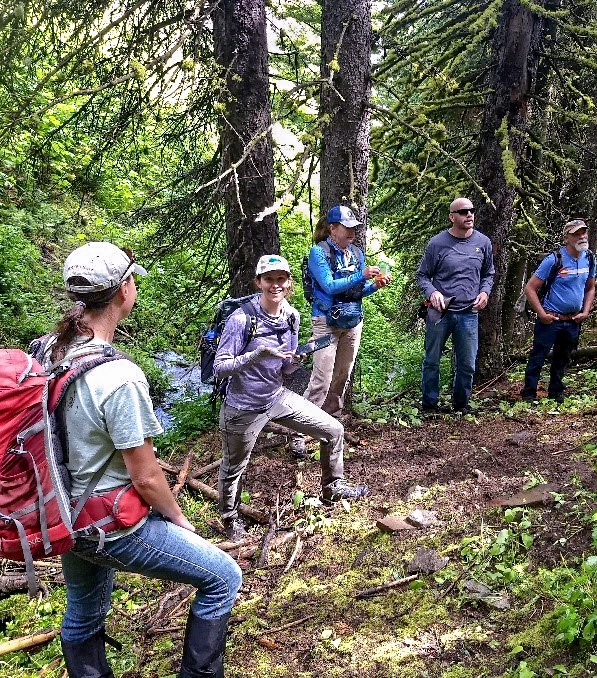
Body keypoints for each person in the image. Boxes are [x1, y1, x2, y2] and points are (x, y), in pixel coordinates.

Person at [46, 242, 242, 678]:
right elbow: (147, 477)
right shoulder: (119, 376)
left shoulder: (49, 353)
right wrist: (181, 522)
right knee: (223, 578)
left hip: (61, 513)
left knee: (82, 611)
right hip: (110, 525)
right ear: (123, 291)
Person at [214, 254, 367, 541]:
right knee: (234, 467)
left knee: (334, 429)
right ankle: (229, 518)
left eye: (280, 279)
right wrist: (256, 354)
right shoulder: (241, 318)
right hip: (242, 407)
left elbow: (286, 367)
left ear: (289, 283)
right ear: (258, 282)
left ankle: (333, 486)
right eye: (269, 279)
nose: (275, 285)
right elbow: (220, 368)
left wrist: (295, 360)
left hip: (276, 396)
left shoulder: (291, 316)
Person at [294, 205, 390, 455]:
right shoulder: (318, 252)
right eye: (347, 228)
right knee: (321, 380)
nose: (352, 233)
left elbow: (356, 292)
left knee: (342, 377)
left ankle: (331, 422)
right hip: (325, 323)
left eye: (354, 228)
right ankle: (298, 433)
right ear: (332, 228)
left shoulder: (356, 253)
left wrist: (374, 286)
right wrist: (362, 275)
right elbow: (330, 286)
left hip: (352, 322)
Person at [416, 196, 495, 413]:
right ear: (452, 217)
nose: (468, 214)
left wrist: (485, 292)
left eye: (471, 210)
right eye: (462, 211)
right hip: (439, 313)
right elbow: (422, 276)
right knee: (432, 360)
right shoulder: (437, 243)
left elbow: (488, 273)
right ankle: (429, 405)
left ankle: (461, 405)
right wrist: (432, 293)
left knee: (467, 363)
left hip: (469, 312)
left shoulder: (483, 243)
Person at [520, 219, 596, 404]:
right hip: (551, 318)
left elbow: (590, 288)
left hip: (573, 321)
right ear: (566, 238)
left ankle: (556, 393)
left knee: (563, 358)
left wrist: (585, 312)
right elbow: (530, 288)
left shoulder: (589, 258)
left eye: (584, 232)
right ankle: (529, 395)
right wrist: (541, 314)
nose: (582, 236)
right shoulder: (554, 260)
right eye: (577, 233)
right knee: (538, 356)